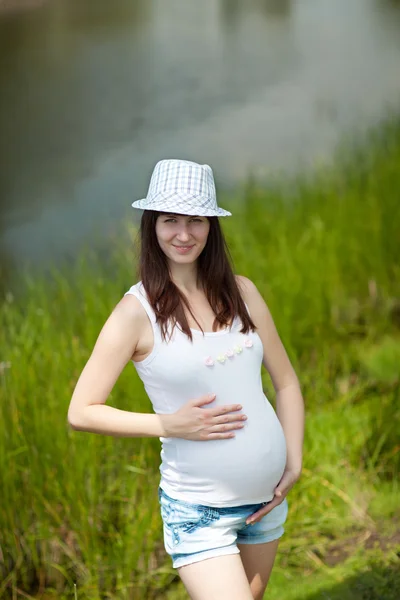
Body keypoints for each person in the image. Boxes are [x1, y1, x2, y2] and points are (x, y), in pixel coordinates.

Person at [67, 159, 305, 600]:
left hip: (266, 501)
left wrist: (294, 459)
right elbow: (81, 411)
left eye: (195, 219)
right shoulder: (135, 313)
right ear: (152, 225)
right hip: (199, 510)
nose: (183, 233)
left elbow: (286, 383)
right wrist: (168, 425)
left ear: (211, 225)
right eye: (169, 219)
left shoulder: (243, 292)